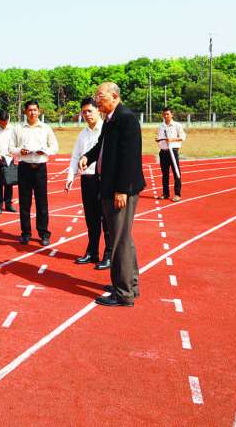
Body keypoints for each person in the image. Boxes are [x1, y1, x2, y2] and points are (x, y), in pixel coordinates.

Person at [80, 82, 146, 307]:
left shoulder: (126, 119)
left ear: (115, 96)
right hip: (109, 187)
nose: (97, 100)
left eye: (100, 96)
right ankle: (129, 284)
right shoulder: (109, 120)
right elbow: (101, 146)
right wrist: (88, 157)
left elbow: (129, 158)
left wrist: (122, 190)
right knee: (123, 238)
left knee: (119, 241)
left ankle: (123, 293)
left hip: (120, 190)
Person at [65, 97, 110, 268]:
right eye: (84, 112)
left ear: (98, 110)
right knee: (91, 219)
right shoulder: (82, 134)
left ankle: (109, 254)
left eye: (90, 111)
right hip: (87, 180)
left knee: (106, 219)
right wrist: (71, 177)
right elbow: (75, 157)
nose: (87, 115)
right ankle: (92, 252)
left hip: (103, 179)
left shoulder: (106, 130)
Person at [9, 100, 58, 246]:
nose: (32, 113)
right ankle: (25, 233)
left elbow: (54, 147)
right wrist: (20, 151)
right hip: (24, 168)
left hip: (40, 168)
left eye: (35, 110)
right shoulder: (18, 128)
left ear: (39, 111)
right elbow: (11, 148)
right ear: (25, 112)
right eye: (30, 110)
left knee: (42, 203)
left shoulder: (45, 128)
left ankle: (44, 233)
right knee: (24, 203)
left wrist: (45, 151)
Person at [156, 106, 186, 202]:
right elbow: (160, 137)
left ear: (172, 115)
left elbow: (183, 137)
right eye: (164, 114)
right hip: (163, 152)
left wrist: (172, 139)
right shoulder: (161, 126)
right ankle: (165, 193)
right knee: (165, 174)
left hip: (173, 151)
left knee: (176, 173)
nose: (165, 116)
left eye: (167, 114)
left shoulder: (177, 125)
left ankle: (177, 194)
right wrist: (158, 139)